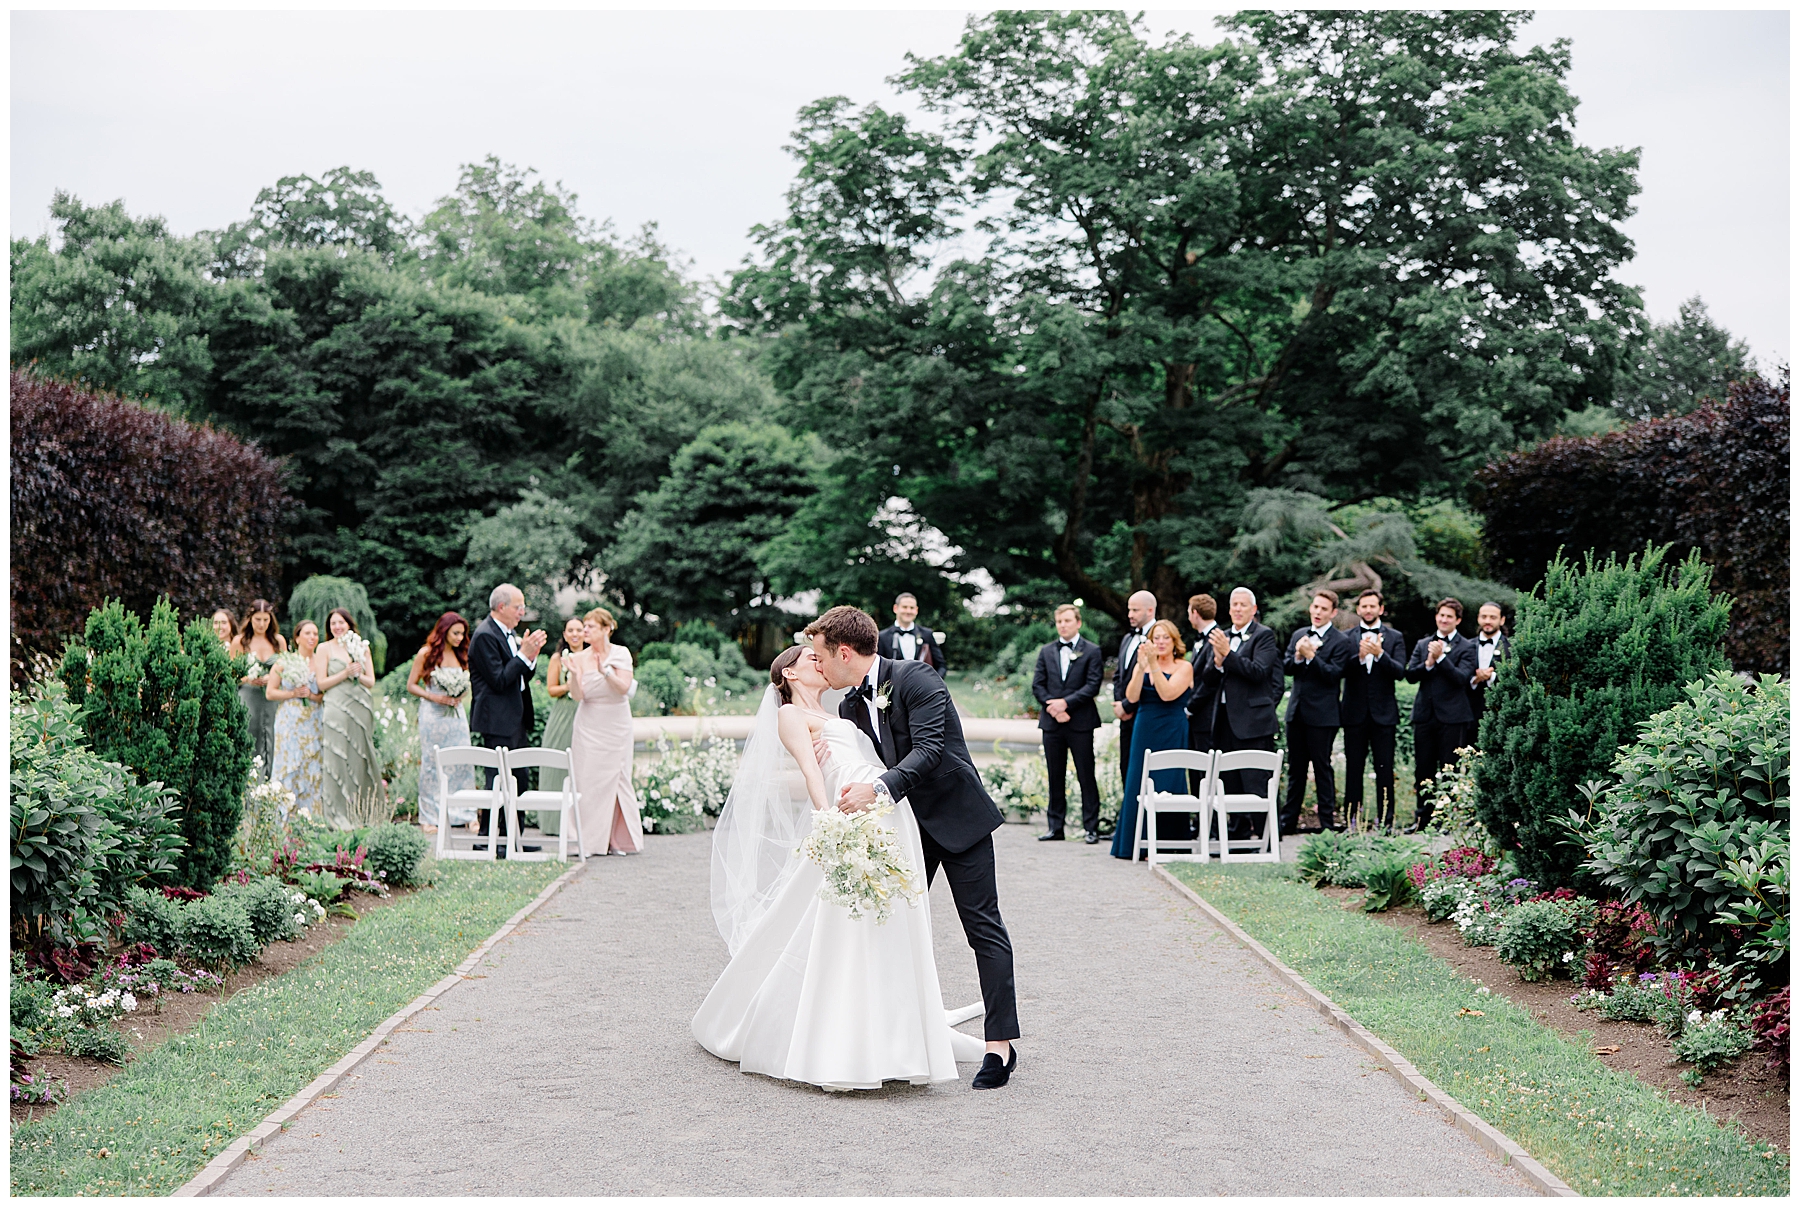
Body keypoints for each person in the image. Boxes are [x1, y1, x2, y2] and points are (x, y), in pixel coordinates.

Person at [693, 644, 985, 1090]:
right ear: (789, 673)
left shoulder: (843, 709)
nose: (820, 662)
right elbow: (812, 772)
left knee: (885, 922)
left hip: (887, 810)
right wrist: (830, 820)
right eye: (811, 659)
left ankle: (897, 1031)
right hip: (852, 816)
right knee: (842, 927)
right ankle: (844, 1040)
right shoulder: (790, 715)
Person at [809, 605, 1020, 1089]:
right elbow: (859, 763)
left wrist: (877, 789)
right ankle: (898, 1039)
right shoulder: (848, 708)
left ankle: (1000, 1046)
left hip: (959, 821)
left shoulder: (916, 678)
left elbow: (928, 751)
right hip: (903, 834)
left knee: (983, 929)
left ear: (845, 652)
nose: (819, 667)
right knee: (891, 928)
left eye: (821, 658)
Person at [1195, 588, 1283, 839]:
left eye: (1243, 605)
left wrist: (1228, 655)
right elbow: (1208, 676)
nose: (1237, 609)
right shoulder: (1221, 635)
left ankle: (1269, 837)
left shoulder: (1263, 636)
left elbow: (1258, 671)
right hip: (1223, 719)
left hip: (1253, 722)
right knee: (1229, 780)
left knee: (1256, 781)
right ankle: (1237, 834)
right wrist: (1218, 662)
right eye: (1234, 604)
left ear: (1253, 610)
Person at [468, 583, 546, 849]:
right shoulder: (485, 635)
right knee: (498, 781)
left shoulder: (509, 633)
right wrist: (523, 655)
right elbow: (500, 680)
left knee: (518, 780)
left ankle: (515, 840)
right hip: (497, 720)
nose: (522, 612)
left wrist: (529, 657)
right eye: (518, 606)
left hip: (516, 717)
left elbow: (521, 675)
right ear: (501, 607)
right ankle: (487, 841)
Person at [1112, 618, 1195, 860]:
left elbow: (1168, 694)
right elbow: (1132, 696)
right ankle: (1134, 844)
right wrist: (1140, 668)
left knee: (1169, 780)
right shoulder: (1144, 664)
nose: (1159, 642)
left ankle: (1168, 844)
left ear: (1174, 641)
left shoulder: (1184, 667)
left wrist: (1154, 667)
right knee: (1139, 778)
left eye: (1164, 638)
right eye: (1155, 638)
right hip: (1144, 726)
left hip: (1171, 727)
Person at [569, 607, 644, 855]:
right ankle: (587, 840)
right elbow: (578, 696)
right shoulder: (579, 657)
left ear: (606, 629)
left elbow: (624, 688)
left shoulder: (620, 653)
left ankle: (613, 839)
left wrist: (606, 672)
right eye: (584, 626)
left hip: (616, 723)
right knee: (587, 780)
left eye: (590, 626)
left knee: (615, 778)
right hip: (589, 724)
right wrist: (571, 674)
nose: (585, 630)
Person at [1281, 589, 1354, 834]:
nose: (1318, 612)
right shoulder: (1299, 635)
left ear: (1333, 613)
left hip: (1323, 716)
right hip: (1297, 712)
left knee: (1322, 768)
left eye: (1324, 609)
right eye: (1315, 607)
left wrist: (1312, 657)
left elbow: (1334, 675)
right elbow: (1287, 667)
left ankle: (1326, 823)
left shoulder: (1341, 641)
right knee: (1296, 769)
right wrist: (1300, 658)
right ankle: (1288, 822)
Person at [1029, 604, 1103, 843]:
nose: (1062, 625)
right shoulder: (1046, 651)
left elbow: (1092, 685)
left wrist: (1065, 704)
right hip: (1052, 723)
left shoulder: (1091, 651)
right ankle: (1055, 827)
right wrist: (1053, 706)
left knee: (1086, 775)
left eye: (1067, 621)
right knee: (1055, 775)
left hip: (1080, 722)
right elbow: (1038, 685)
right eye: (1059, 621)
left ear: (1078, 623)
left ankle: (1091, 828)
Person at [1406, 598, 1479, 831]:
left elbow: (1462, 679)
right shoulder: (1423, 643)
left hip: (1453, 717)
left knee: (1450, 769)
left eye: (1449, 616)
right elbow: (1411, 675)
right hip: (1425, 715)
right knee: (1423, 769)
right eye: (1441, 615)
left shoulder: (1467, 646)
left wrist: (1442, 659)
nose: (1444, 619)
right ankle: (1422, 820)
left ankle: (1447, 819)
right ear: (1436, 616)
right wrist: (1429, 662)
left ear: (1457, 620)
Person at [1339, 589, 1405, 831]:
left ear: (1381, 609)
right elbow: (1339, 671)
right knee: (1353, 769)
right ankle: (1351, 821)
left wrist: (1380, 655)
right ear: (1358, 610)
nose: (1368, 610)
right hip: (1354, 714)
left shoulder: (1395, 636)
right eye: (1363, 606)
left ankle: (1387, 821)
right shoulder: (1346, 637)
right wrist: (1358, 656)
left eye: (1372, 606)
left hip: (1384, 715)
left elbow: (1400, 672)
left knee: (1385, 768)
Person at [314, 607, 383, 830]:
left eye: (341, 623)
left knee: (360, 757)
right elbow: (321, 684)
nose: (337, 627)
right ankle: (336, 816)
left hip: (360, 706)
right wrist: (344, 673)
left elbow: (371, 681)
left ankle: (363, 813)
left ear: (349, 624)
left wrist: (357, 674)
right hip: (335, 705)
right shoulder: (324, 648)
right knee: (336, 757)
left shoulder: (361, 646)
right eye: (333, 623)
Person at [408, 612, 474, 834]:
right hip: (433, 716)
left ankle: (466, 813)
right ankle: (429, 816)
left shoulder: (461, 655)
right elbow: (412, 685)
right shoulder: (426, 654)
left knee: (463, 761)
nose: (459, 638)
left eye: (462, 634)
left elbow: (468, 683)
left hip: (456, 716)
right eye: (455, 633)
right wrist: (433, 696)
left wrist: (460, 694)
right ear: (443, 632)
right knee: (431, 763)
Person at [534, 616, 587, 835]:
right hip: (564, 712)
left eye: (579, 630)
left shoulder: (592, 656)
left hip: (587, 711)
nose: (575, 634)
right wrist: (568, 685)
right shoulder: (558, 658)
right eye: (570, 630)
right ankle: (554, 823)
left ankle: (582, 823)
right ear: (565, 635)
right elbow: (551, 689)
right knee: (557, 764)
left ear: (585, 633)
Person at [266, 619, 323, 820]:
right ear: (297, 637)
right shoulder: (284, 662)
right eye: (307, 633)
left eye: (315, 634)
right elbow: (270, 693)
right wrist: (293, 694)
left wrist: (310, 695)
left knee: (312, 767)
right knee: (288, 765)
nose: (312, 637)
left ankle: (309, 820)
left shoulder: (321, 661)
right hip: (289, 721)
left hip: (314, 720)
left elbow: (323, 695)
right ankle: (281, 818)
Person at [232, 601, 286, 782]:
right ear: (250, 618)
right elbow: (232, 674)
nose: (262, 624)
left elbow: (286, 669)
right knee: (250, 735)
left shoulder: (278, 641)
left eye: (265, 620)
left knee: (271, 735)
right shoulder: (240, 641)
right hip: (248, 696)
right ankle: (249, 783)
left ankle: (270, 781)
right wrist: (248, 679)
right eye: (258, 620)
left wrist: (273, 678)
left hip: (271, 697)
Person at [1110, 590, 1159, 785]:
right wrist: (1119, 705)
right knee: (1126, 770)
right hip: (1125, 717)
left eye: (1135, 610)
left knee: (1145, 772)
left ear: (1150, 610)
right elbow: (1117, 676)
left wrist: (1128, 706)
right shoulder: (1127, 639)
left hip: (1145, 714)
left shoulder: (1160, 637)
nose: (1130, 614)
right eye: (1129, 609)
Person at [876, 592, 946, 674]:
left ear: (916, 610)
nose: (908, 611)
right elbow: (878, 668)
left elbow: (941, 666)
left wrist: (934, 684)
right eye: (904, 607)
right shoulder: (883, 636)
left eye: (912, 608)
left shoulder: (927, 634)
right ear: (895, 608)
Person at [1468, 602, 1510, 734]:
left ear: (1502, 620)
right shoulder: (1466, 645)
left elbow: (1514, 678)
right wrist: (1474, 679)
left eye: (1493, 617)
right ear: (1478, 618)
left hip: (1500, 712)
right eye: (1484, 617)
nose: (1487, 621)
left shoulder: (1511, 648)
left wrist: (1492, 677)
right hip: (1469, 712)